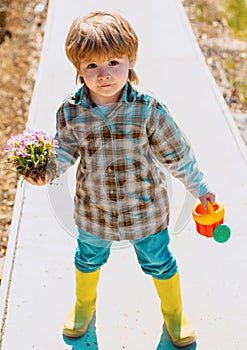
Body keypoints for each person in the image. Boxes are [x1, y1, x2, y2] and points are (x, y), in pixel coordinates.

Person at [26, 11, 215, 347]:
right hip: (94, 210)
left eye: (114, 62)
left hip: (145, 210)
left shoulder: (148, 110)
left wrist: (199, 188)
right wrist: (45, 171)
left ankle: (174, 314)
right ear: (78, 69)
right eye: (92, 66)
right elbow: (65, 152)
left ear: (131, 60)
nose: (104, 75)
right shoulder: (70, 112)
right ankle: (84, 306)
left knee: (159, 261)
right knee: (87, 258)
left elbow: (177, 154)